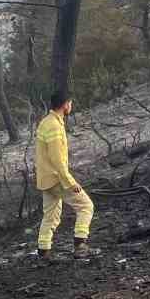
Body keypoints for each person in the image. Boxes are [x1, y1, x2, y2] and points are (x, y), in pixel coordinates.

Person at [36, 91, 94, 260]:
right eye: (70, 103)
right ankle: (80, 245)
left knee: (51, 216)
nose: (71, 106)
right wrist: (70, 182)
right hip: (56, 179)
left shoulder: (46, 122)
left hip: (45, 179)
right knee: (86, 206)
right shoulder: (54, 125)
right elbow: (57, 159)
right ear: (65, 104)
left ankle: (43, 250)